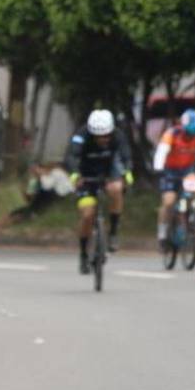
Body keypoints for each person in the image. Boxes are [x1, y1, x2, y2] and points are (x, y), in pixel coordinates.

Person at [65, 109, 133, 272]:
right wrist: (75, 175)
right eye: (99, 136)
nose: (103, 139)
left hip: (108, 172)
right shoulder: (81, 135)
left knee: (116, 189)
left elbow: (126, 156)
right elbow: (71, 156)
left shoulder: (117, 136)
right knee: (87, 214)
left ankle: (113, 233)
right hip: (85, 175)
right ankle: (83, 254)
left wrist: (127, 174)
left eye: (106, 135)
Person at [153, 109, 195, 248]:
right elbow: (161, 151)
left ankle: (192, 216)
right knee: (168, 202)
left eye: (194, 135)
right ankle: (162, 232)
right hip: (169, 171)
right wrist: (158, 168)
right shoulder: (172, 134)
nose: (191, 137)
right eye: (189, 134)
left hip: (187, 170)